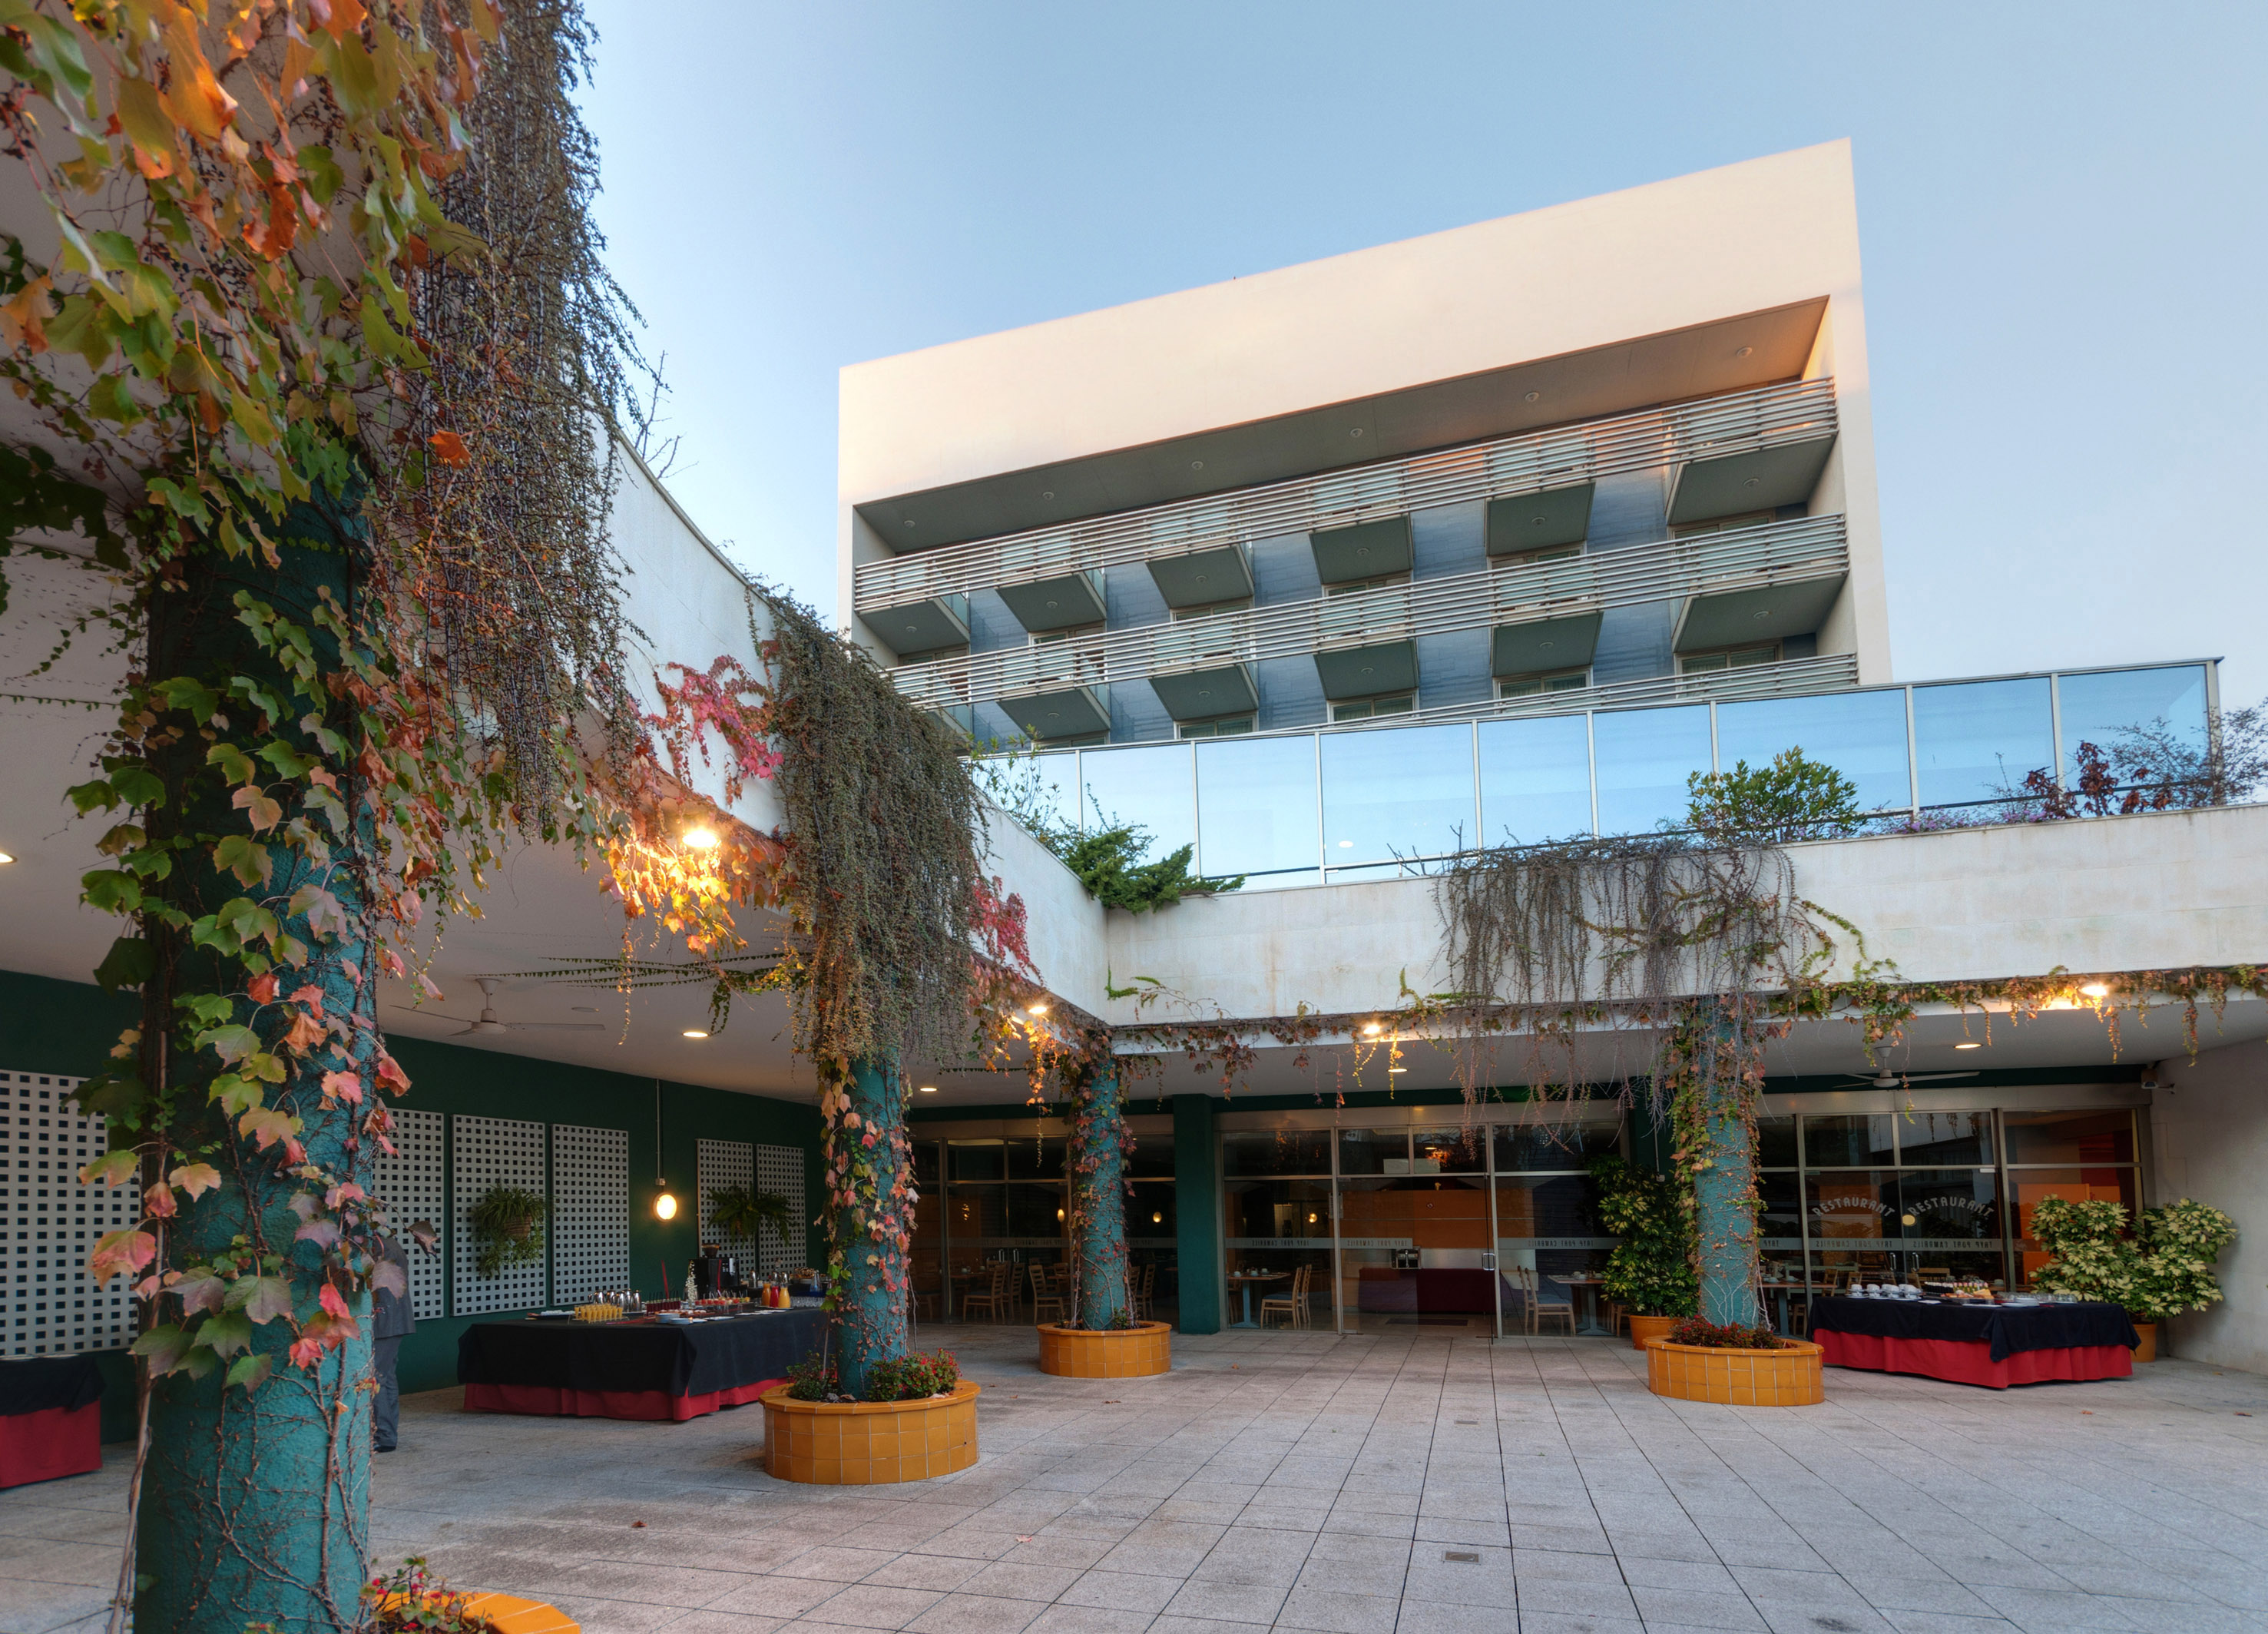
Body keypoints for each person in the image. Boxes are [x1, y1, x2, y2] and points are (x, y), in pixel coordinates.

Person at [372, 1225, 423, 1453]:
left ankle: (383, 1435)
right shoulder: (389, 1243)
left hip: (384, 1318)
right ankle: (386, 1434)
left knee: (377, 1378)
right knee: (386, 1377)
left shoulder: (378, 1245)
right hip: (394, 1318)